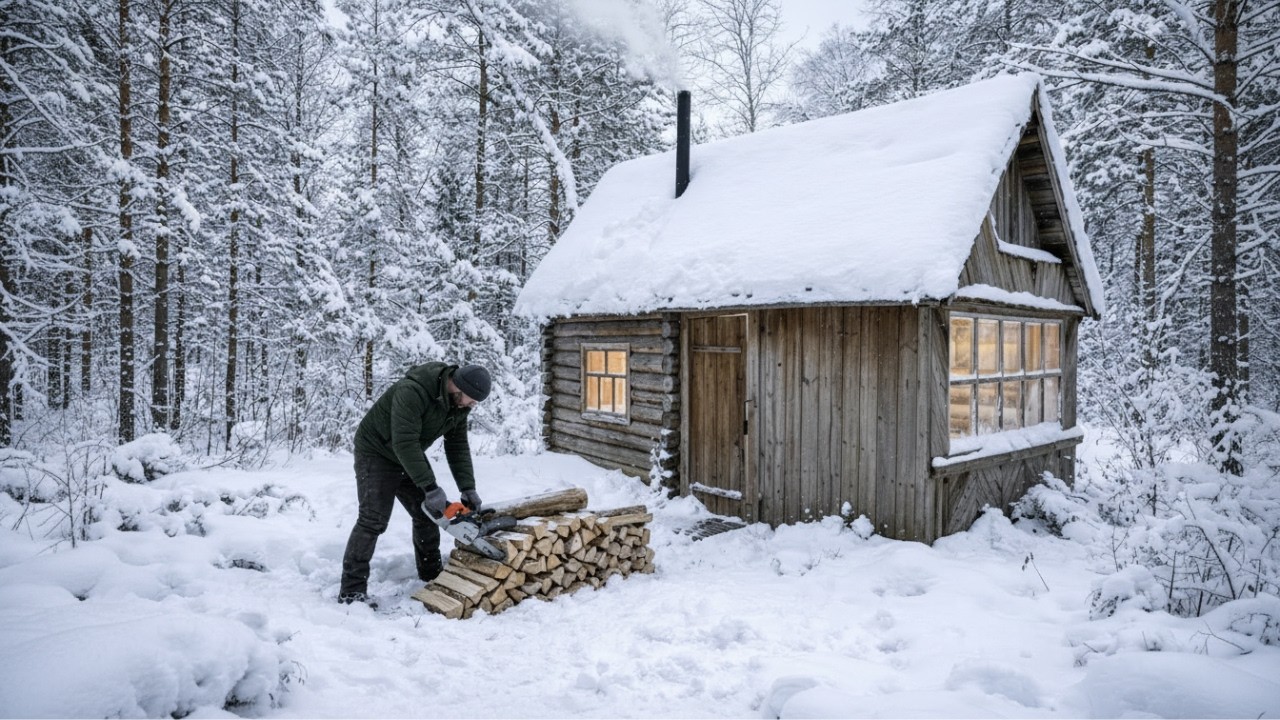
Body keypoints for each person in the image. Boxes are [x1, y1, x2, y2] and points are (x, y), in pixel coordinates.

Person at [338, 361, 492, 607]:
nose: (472, 406)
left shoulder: (458, 405)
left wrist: (467, 487)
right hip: (376, 452)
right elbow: (404, 442)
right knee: (373, 519)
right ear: (458, 387)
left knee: (428, 513)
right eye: (471, 400)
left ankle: (431, 573)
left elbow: (457, 445)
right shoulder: (413, 391)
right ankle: (351, 591)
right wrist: (430, 487)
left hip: (409, 454)